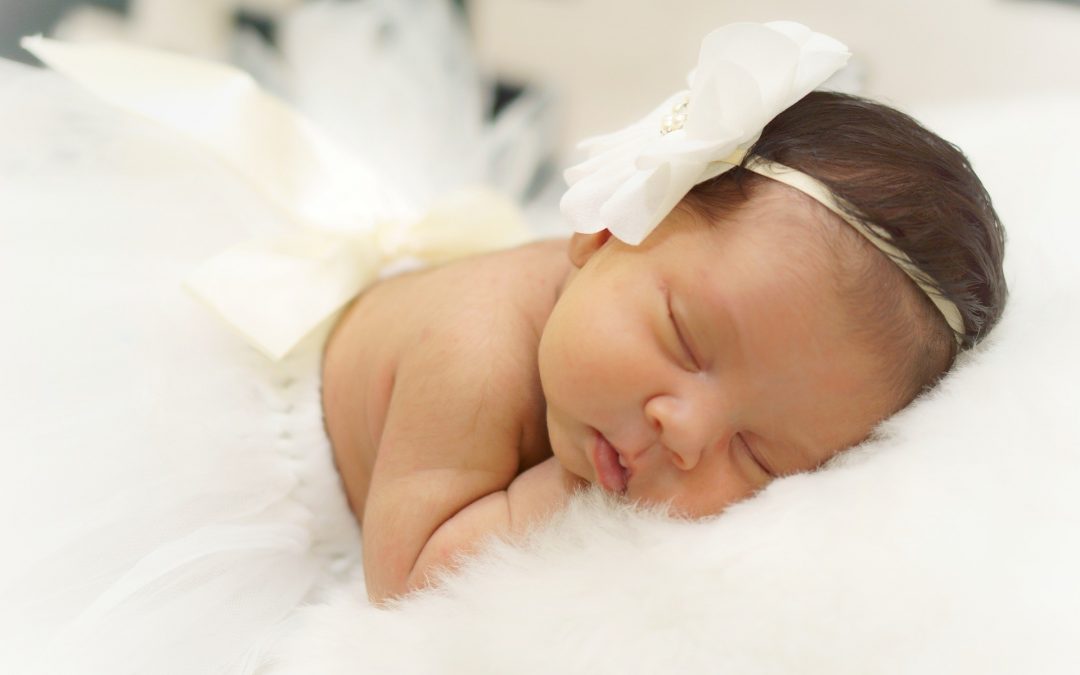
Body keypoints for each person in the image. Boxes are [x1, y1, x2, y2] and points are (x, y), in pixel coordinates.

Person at [321, 22, 1008, 603]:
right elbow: (407, 581)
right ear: (607, 228)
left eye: (756, 454)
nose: (685, 433)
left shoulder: (622, 328)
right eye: (685, 342)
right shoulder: (470, 350)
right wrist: (570, 493)